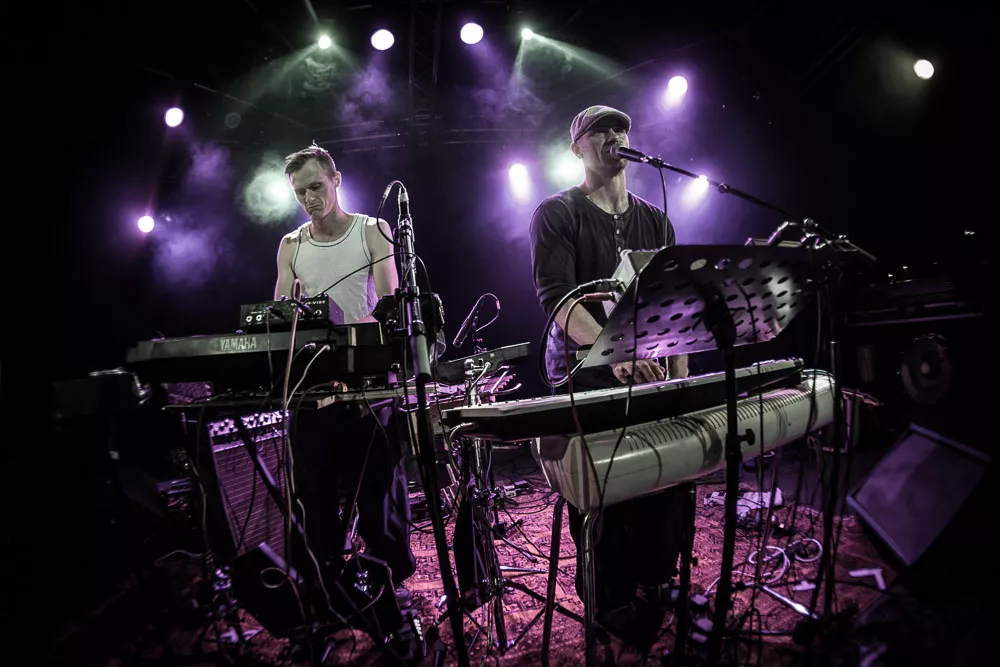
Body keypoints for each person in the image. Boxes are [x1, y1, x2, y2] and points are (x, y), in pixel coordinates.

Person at [529, 105, 692, 625]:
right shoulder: (557, 212)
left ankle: (657, 577)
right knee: (605, 491)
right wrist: (616, 351)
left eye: (620, 129)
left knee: (667, 473)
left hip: (651, 367)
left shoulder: (656, 220)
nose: (614, 136)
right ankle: (611, 599)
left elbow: (675, 303)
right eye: (600, 131)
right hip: (585, 371)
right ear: (576, 148)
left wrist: (682, 379)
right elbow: (558, 298)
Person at [274, 145, 416, 606]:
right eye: (300, 193)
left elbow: (388, 306)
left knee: (377, 495)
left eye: (316, 186)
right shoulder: (291, 246)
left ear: (336, 179)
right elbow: (280, 320)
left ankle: (390, 585)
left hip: (366, 385)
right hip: (312, 389)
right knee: (313, 497)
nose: (309, 199)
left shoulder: (372, 230)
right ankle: (326, 589)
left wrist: (347, 358)